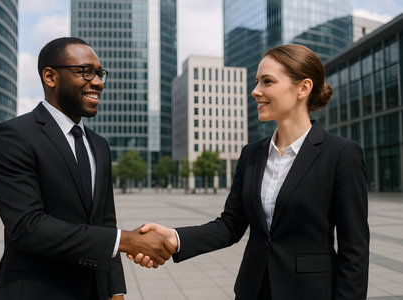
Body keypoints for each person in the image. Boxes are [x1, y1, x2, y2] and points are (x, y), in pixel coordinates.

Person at [132, 44, 370, 299]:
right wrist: (174, 237)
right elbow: (230, 226)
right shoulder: (251, 154)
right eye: (257, 82)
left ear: (303, 88)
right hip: (252, 291)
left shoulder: (341, 154)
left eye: (267, 81)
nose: (255, 91)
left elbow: (354, 251)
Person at [0, 37, 174, 300]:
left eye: (99, 73)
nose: (97, 82)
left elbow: (106, 223)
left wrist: (115, 291)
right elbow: (27, 227)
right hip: (35, 291)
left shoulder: (100, 146)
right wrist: (125, 240)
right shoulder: (12, 135)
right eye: (85, 71)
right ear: (50, 77)